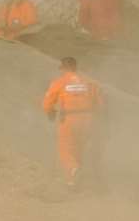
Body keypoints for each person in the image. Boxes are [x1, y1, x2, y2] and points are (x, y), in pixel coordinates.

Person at [40, 56, 103, 190]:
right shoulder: (90, 82)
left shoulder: (60, 82)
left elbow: (47, 103)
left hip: (69, 119)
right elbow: (100, 104)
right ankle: (74, 181)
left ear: (63, 68)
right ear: (75, 67)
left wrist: (50, 112)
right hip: (88, 119)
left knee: (65, 149)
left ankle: (73, 170)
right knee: (79, 148)